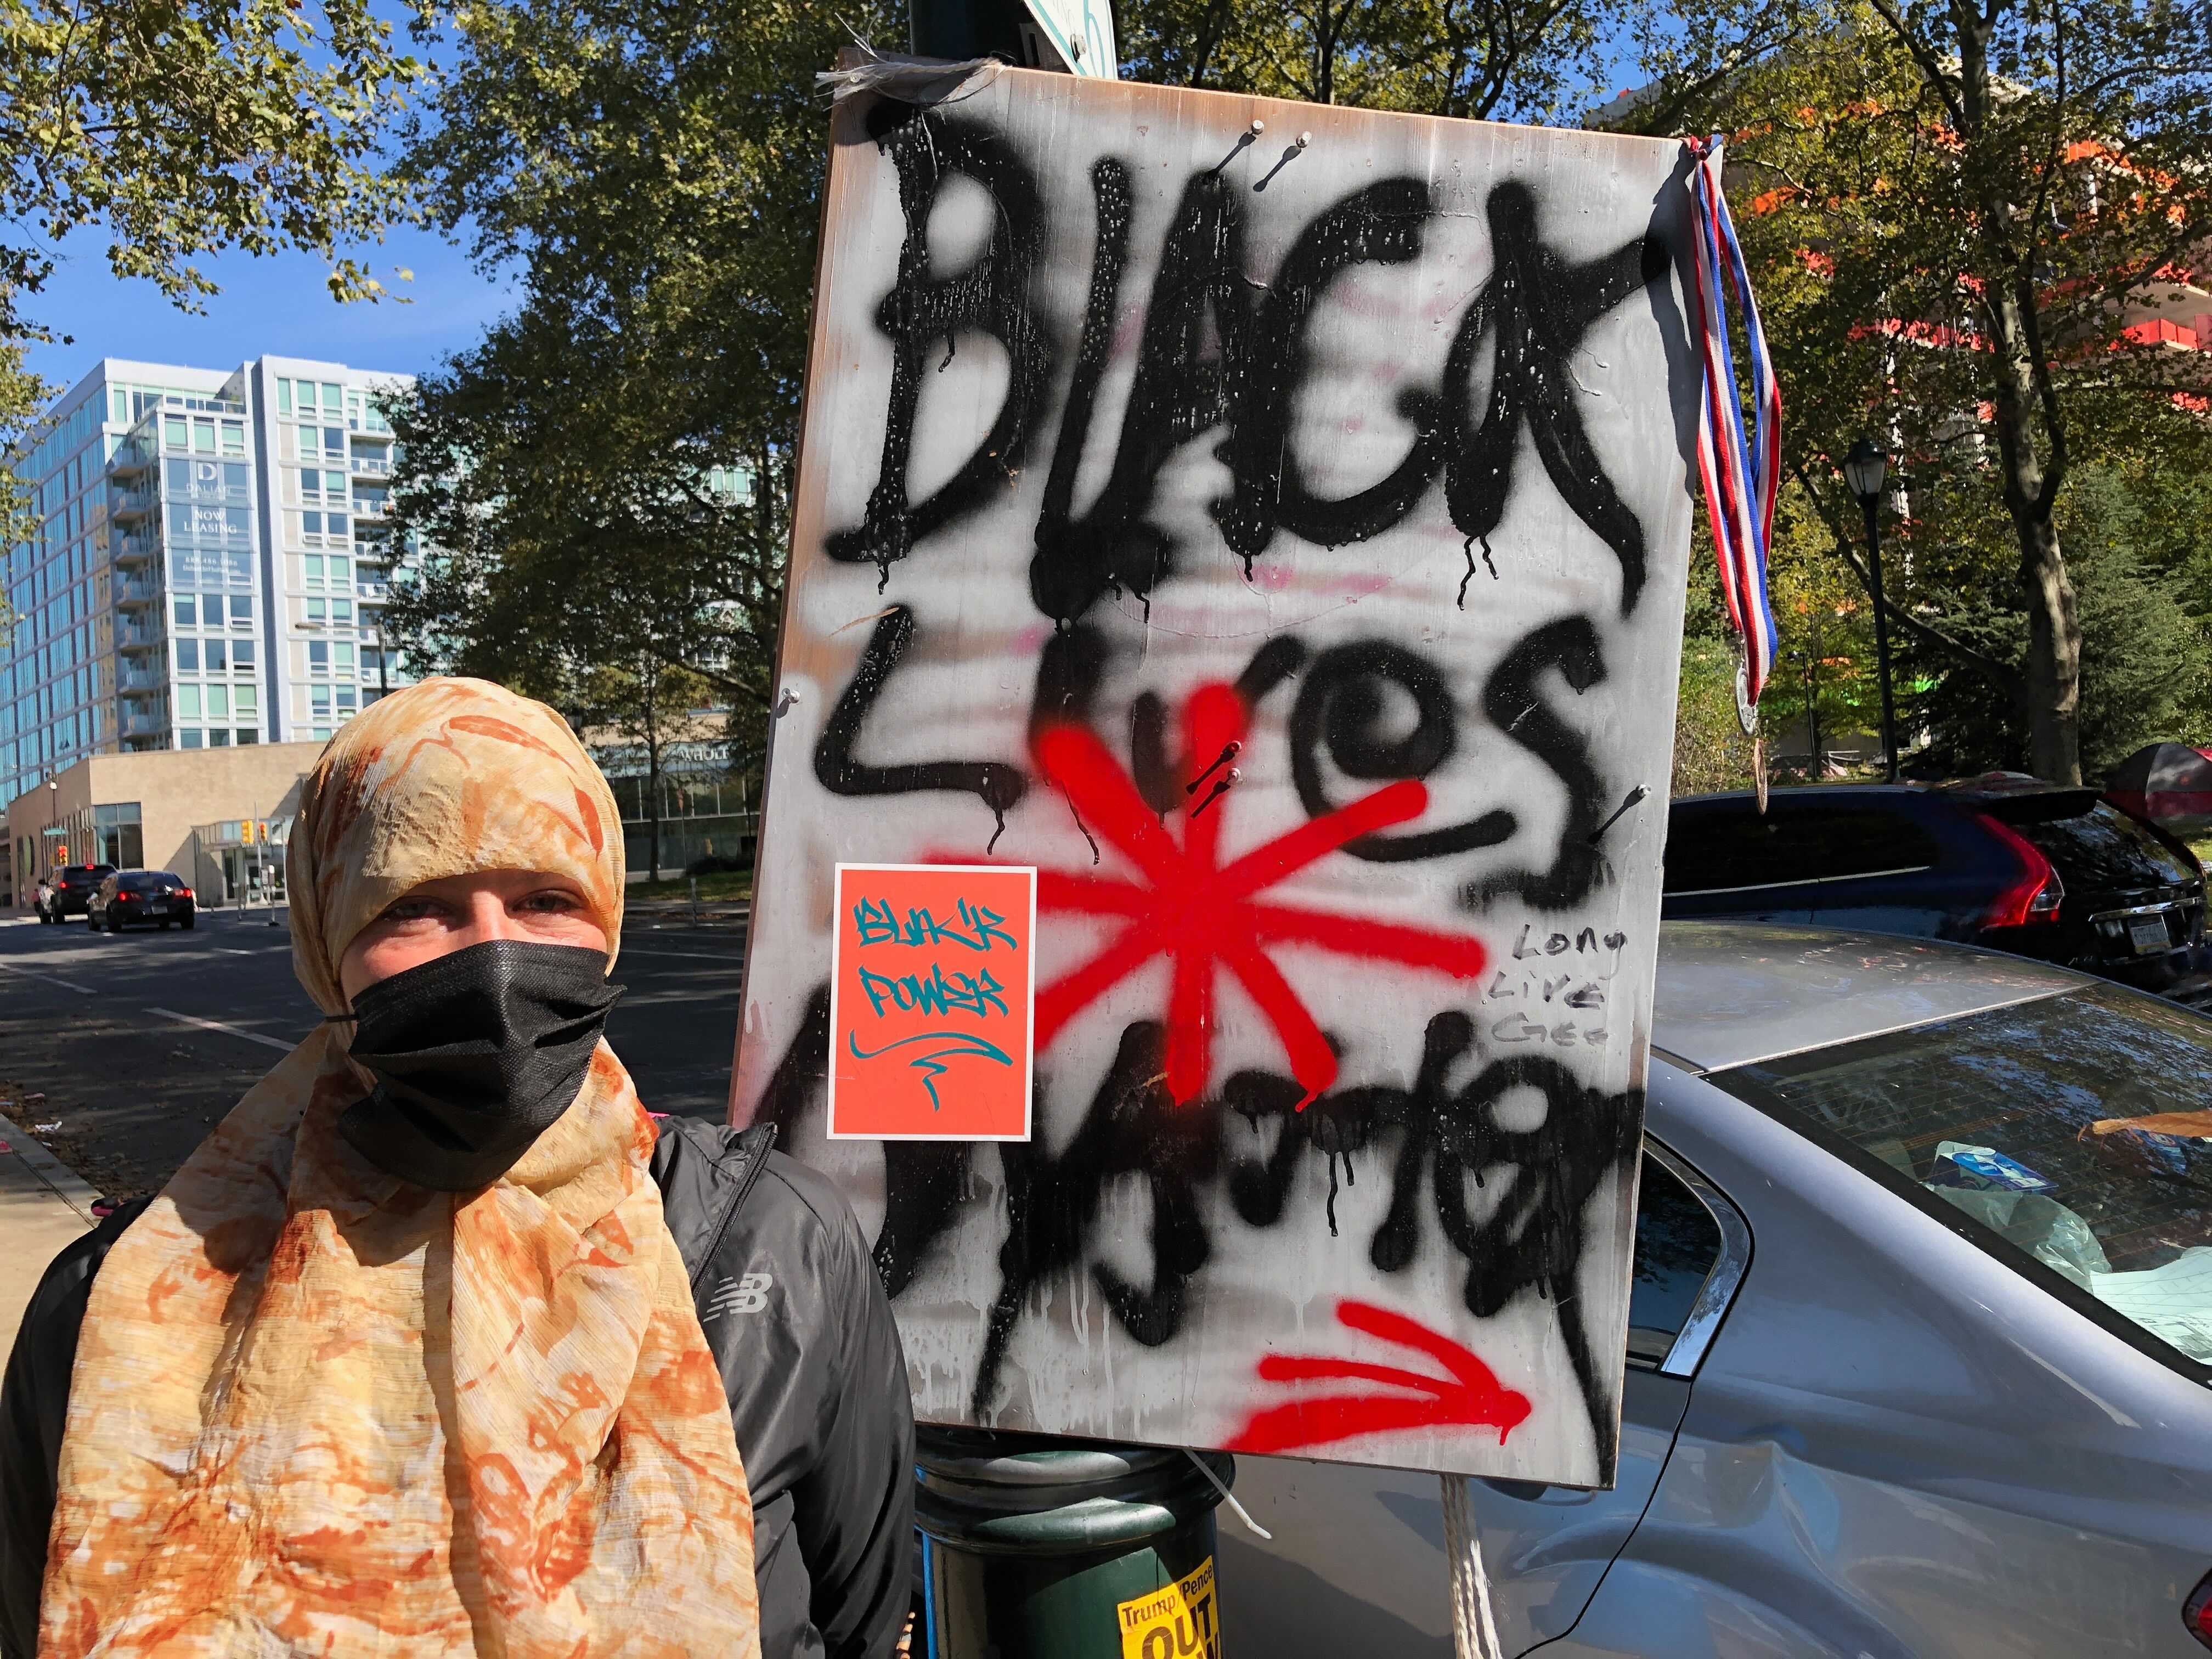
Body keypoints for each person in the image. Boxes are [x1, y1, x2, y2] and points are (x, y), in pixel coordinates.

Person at [0, 678, 913, 1659]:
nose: (496, 958)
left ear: (606, 921)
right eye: (419, 909)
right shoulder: (118, 1309)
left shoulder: (773, 1253)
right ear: (326, 941)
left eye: (545, 899)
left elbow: (859, 1619)